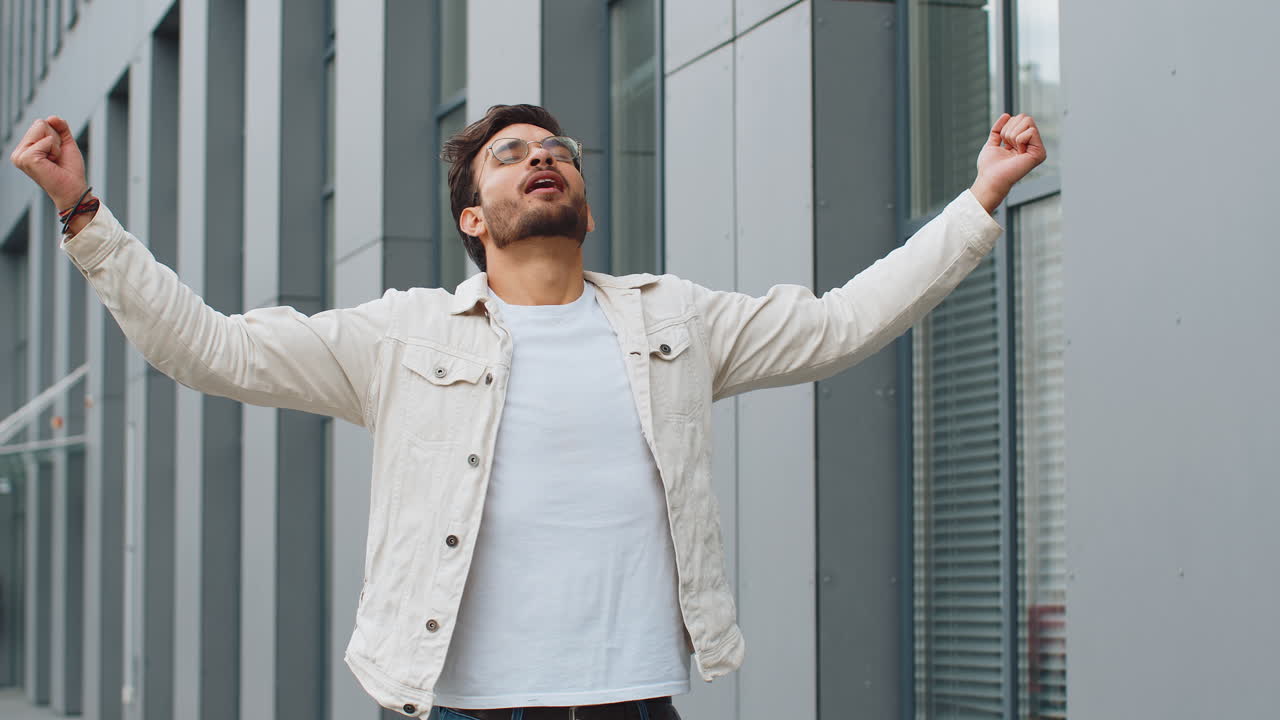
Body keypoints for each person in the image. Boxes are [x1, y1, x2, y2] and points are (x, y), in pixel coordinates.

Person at [9, 104, 1045, 720]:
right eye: (508, 155)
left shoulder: (671, 319)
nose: (539, 156)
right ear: (474, 217)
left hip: (633, 703)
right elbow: (209, 348)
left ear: (583, 205)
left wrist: (978, 200)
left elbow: (839, 324)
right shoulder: (403, 335)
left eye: (555, 149)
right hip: (460, 705)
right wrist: (85, 216)